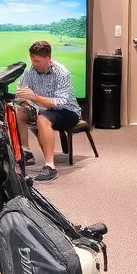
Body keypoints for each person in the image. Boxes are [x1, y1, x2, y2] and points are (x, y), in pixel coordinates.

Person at [13, 40, 82, 182]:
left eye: (37, 60)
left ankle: (50, 166)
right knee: (20, 113)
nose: (34, 63)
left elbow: (60, 103)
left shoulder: (62, 73)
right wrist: (24, 99)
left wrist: (35, 97)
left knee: (43, 119)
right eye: (32, 59)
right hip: (43, 108)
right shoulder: (30, 71)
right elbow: (20, 89)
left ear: (48, 58)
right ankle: (26, 151)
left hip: (67, 112)